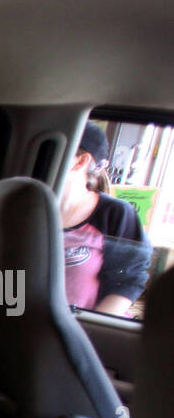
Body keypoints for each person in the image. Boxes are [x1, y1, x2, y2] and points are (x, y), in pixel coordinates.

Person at [59, 121, 150, 317]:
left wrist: (88, 331)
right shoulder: (23, 207)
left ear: (80, 161)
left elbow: (127, 281)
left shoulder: (116, 214)